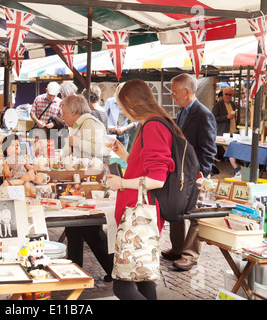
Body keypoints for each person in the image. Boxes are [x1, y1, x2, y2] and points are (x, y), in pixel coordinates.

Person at [106, 78, 177, 300]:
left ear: (129, 101)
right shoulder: (156, 122)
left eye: (122, 105)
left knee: (123, 285)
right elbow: (147, 169)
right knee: (144, 278)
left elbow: (157, 179)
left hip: (139, 215)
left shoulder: (153, 125)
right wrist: (125, 156)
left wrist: (122, 183)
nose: (124, 111)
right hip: (142, 213)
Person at [161, 73, 217, 271]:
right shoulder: (182, 111)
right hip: (181, 172)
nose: (172, 96)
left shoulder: (203, 114)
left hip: (196, 173)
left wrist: (201, 175)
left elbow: (209, 149)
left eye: (174, 92)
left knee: (195, 215)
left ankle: (190, 254)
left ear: (187, 92)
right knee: (175, 207)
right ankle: (177, 248)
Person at [60, 94, 113, 281]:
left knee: (90, 229)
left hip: (90, 185)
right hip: (78, 184)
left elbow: (102, 149)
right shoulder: (76, 126)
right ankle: (75, 270)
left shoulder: (91, 124)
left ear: (74, 111)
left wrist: (77, 142)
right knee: (74, 228)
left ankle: (113, 270)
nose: (61, 115)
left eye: (63, 111)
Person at [212, 87, 241, 176]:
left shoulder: (232, 104)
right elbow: (213, 118)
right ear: (222, 94)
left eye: (230, 94)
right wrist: (226, 117)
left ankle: (238, 169)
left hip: (233, 131)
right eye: (226, 94)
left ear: (232, 95)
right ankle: (237, 170)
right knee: (230, 150)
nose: (228, 96)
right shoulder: (218, 105)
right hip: (223, 133)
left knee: (234, 150)